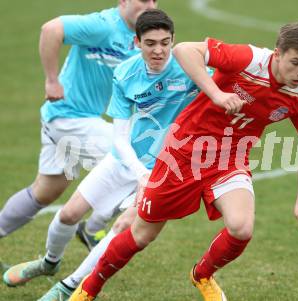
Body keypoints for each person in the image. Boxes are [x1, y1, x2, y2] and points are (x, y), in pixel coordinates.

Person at [69, 22, 298, 301]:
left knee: (242, 227)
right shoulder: (249, 59)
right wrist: (217, 94)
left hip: (229, 160)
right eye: (295, 62)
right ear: (278, 53)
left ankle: (202, 275)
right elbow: (184, 50)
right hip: (183, 152)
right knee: (141, 235)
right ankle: (88, 289)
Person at [3, 9, 202, 301]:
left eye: (165, 42)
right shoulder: (125, 73)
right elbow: (120, 137)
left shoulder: (189, 69)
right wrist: (139, 173)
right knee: (68, 213)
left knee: (124, 225)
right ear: (137, 43)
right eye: (150, 43)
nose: (158, 50)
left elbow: (230, 73)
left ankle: (68, 287)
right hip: (126, 160)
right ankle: (49, 262)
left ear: (173, 41)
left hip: (163, 168)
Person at [0, 0, 158, 243]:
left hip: (70, 119)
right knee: (133, 163)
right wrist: (52, 81)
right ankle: (93, 228)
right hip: (69, 118)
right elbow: (51, 30)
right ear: (123, 1)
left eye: (154, 0)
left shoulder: (144, 37)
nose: (150, 5)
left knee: (44, 192)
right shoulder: (103, 25)